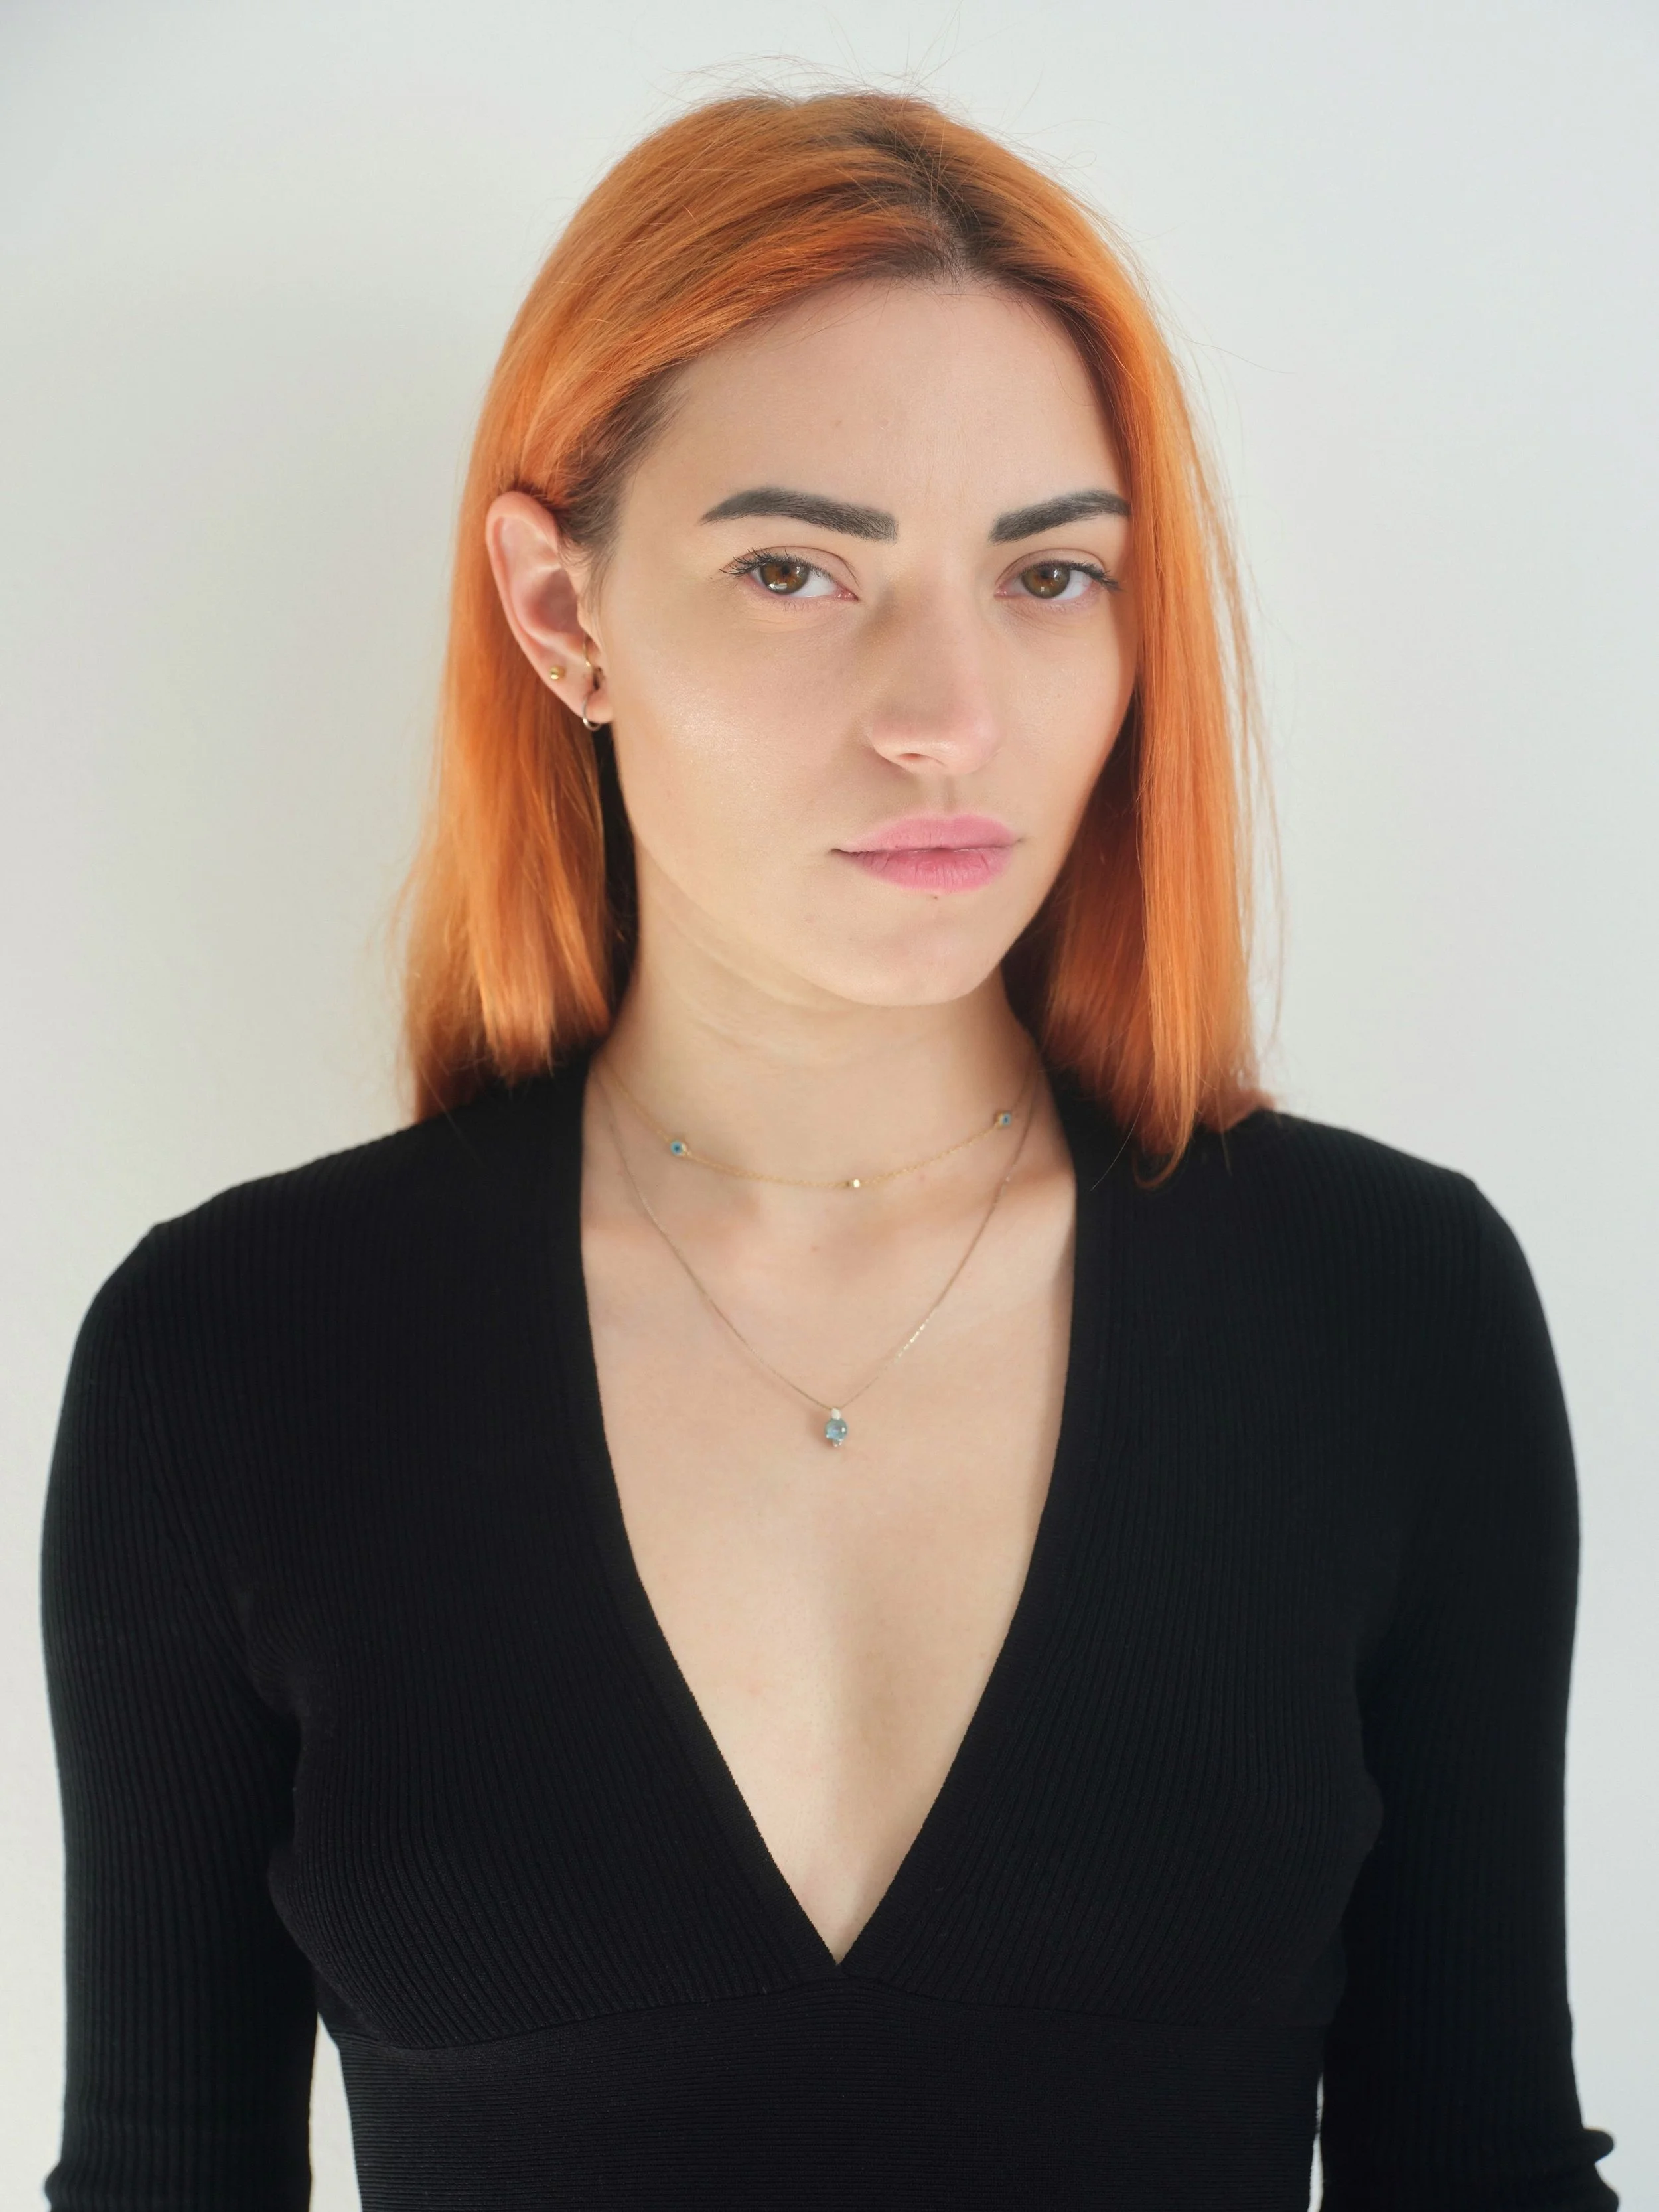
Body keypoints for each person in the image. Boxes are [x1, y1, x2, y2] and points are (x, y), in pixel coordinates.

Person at [40, 87, 1616, 2210]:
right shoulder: (232, 1353)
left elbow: (1479, 2168)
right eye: (794, 569)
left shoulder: (1383, 1309)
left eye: (1048, 573)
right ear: (561, 613)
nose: (945, 713)